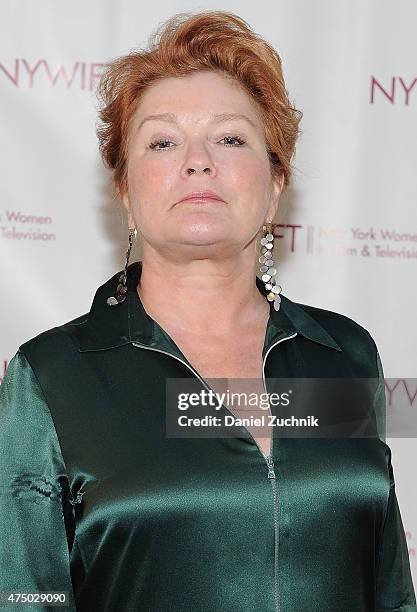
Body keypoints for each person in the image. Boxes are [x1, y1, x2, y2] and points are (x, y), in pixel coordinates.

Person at [0, 10, 415, 612]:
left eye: (229, 138)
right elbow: (24, 600)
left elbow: (388, 590)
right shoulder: (53, 377)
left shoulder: (344, 355)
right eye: (163, 141)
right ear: (126, 191)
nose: (198, 161)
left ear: (275, 185)